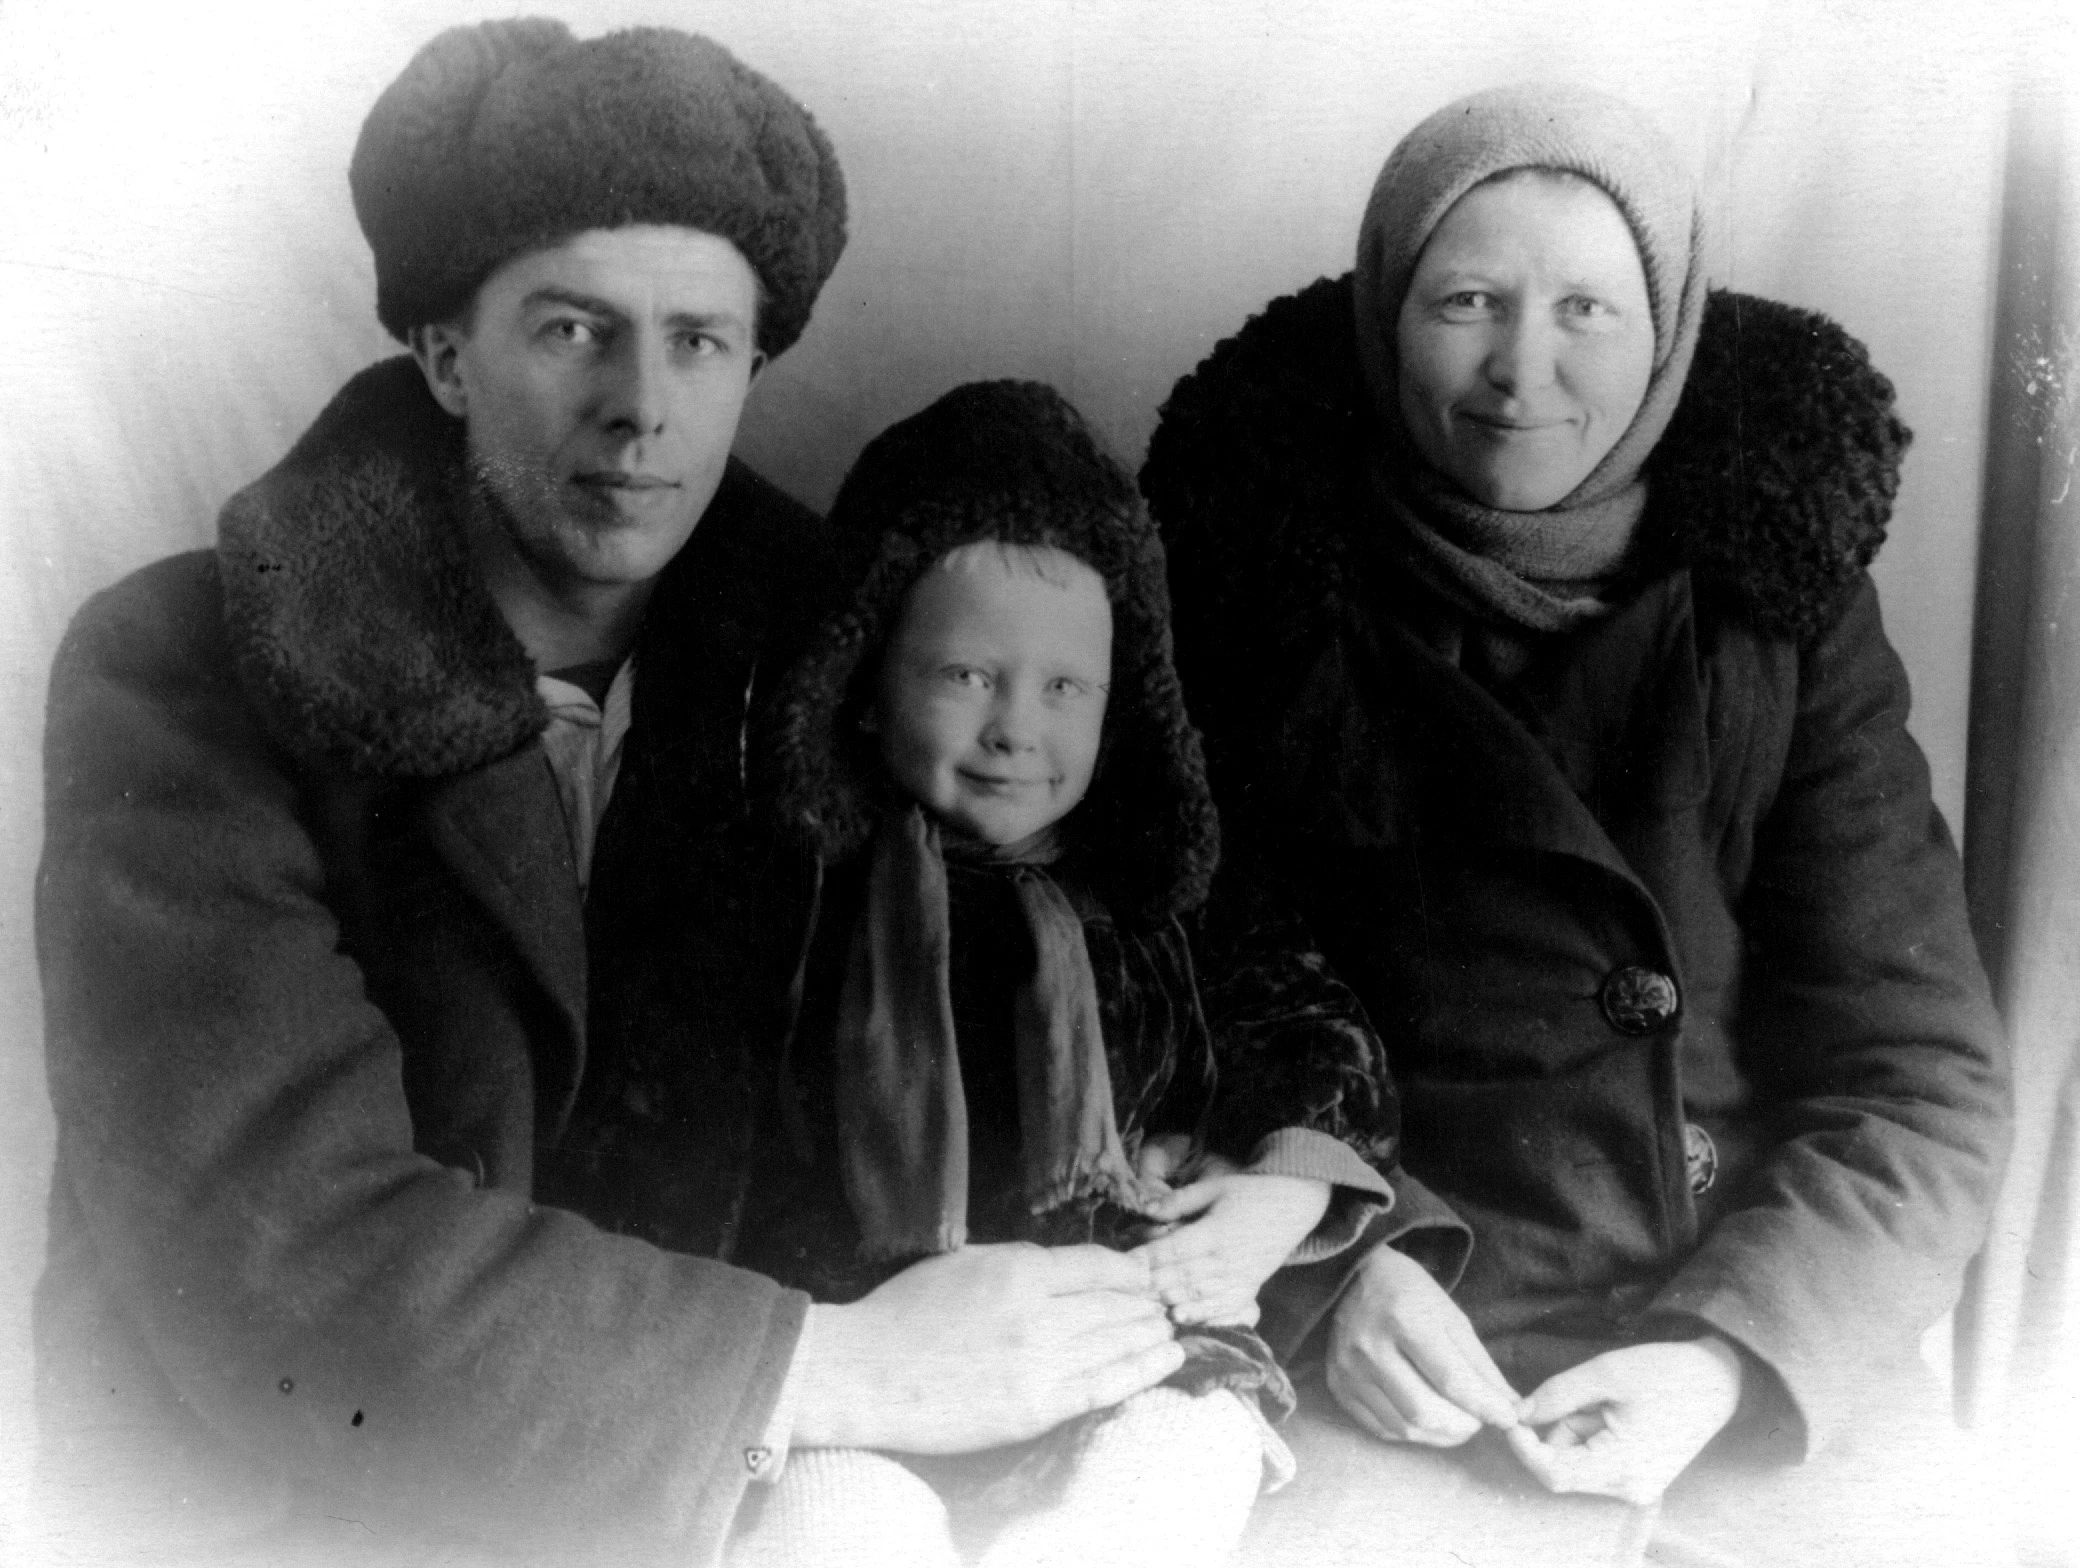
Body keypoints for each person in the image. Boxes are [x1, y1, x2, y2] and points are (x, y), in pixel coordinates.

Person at [34, 22, 1182, 1567]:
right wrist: (831, 1371)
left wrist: (1307, 1193)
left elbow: (1110, 916)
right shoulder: (185, 670)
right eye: (574, 329)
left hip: (698, 1500)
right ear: (447, 353)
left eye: (699, 341)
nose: (642, 407)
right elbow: (279, 1248)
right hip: (268, 1510)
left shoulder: (830, 668)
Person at [1139, 84, 2013, 1567]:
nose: (1520, 371)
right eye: (1466, 302)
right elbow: (1170, 1032)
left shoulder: (1782, 620)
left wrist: (1726, 1356)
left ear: (1667, 337)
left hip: (1745, 1328)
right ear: (1381, 313)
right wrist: (1338, 1268)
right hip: (1411, 1349)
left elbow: (1917, 1074)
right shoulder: (1246, 597)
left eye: (1588, 312)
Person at [715, 380, 1430, 1566]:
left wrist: (1281, 1194)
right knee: (840, 1524)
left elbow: (1314, 1032)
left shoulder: (1162, 891)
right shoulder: (790, 896)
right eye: (964, 675)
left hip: (1126, 1338)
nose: (1015, 728)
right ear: (864, 677)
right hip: (869, 1347)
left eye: (1064, 689)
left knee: (1174, 1468)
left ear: (1122, 700)